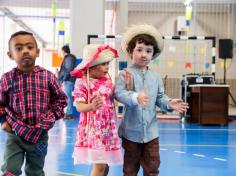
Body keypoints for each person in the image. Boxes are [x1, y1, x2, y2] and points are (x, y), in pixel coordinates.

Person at [115, 24, 189, 176]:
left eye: (148, 51)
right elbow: (119, 94)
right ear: (130, 51)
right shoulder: (124, 74)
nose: (144, 54)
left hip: (151, 134)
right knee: (129, 169)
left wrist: (168, 103)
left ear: (153, 55)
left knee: (152, 168)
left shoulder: (155, 77)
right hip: (131, 133)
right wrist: (135, 96)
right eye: (139, 49)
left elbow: (160, 97)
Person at [0, 31, 67, 176]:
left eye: (29, 47)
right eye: (18, 48)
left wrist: (49, 118)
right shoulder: (6, 79)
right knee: (10, 170)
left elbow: (60, 100)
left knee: (35, 170)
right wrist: (3, 121)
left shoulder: (48, 77)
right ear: (10, 55)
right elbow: (0, 104)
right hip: (15, 133)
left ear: (37, 52)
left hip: (39, 135)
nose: (25, 51)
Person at [70, 44, 123, 176]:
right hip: (95, 131)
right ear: (91, 66)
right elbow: (79, 106)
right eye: (103, 64)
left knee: (105, 166)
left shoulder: (107, 81)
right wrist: (91, 106)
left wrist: (125, 86)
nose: (107, 67)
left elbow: (117, 95)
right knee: (99, 166)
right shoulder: (82, 83)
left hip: (108, 130)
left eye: (107, 64)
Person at [58, 45, 77, 119]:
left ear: (63, 51)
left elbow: (68, 70)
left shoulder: (69, 58)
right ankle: (69, 113)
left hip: (68, 80)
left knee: (68, 97)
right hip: (68, 80)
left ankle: (69, 114)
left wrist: (64, 79)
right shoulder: (69, 58)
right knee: (68, 97)